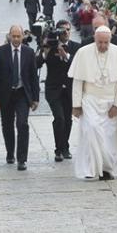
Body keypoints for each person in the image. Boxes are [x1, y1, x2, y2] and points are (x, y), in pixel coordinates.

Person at [68, 25, 117, 180]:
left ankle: (106, 169)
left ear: (110, 40)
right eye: (100, 43)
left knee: (109, 138)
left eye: (106, 43)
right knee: (91, 131)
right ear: (95, 39)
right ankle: (91, 169)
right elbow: (78, 81)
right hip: (90, 100)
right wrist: (76, 104)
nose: (103, 46)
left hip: (111, 101)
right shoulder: (83, 53)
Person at [0, 25, 39, 171]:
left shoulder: (29, 52)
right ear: (9, 36)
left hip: (22, 94)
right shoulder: (1, 52)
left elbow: (33, 76)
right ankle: (10, 152)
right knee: (7, 125)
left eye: (19, 36)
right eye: (14, 36)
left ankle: (22, 159)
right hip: (6, 94)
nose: (16, 39)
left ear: (23, 36)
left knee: (22, 124)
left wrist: (35, 98)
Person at [36, 20, 80, 162]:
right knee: (59, 117)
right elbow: (36, 64)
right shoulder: (50, 45)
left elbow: (79, 65)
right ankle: (58, 149)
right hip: (53, 89)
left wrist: (66, 56)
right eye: (62, 30)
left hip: (69, 89)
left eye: (67, 29)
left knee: (67, 119)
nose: (65, 32)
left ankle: (65, 147)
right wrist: (44, 52)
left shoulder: (75, 47)